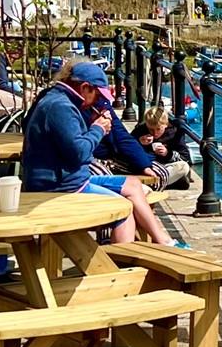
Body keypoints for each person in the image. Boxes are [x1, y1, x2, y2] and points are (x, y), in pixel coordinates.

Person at [21, 61, 176, 246]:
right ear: (85, 88)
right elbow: (79, 153)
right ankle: (119, 267)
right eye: (97, 95)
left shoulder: (57, 99)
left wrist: (91, 124)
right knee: (123, 210)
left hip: (67, 180)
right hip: (60, 187)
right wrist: (98, 129)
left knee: (133, 185)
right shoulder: (61, 107)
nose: (98, 101)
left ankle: (163, 241)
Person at [136, 104, 194, 190]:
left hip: (165, 166)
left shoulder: (175, 131)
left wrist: (167, 153)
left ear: (166, 124)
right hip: (145, 166)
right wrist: (139, 142)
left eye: (158, 129)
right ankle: (166, 182)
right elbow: (126, 147)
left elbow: (185, 158)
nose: (155, 133)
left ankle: (156, 182)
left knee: (183, 166)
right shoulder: (141, 129)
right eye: (151, 130)